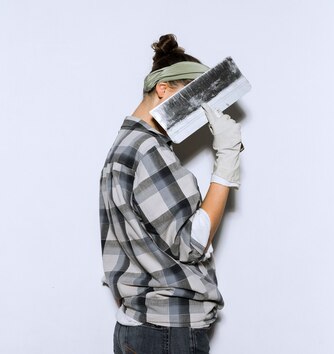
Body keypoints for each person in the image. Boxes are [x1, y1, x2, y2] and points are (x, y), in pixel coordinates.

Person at [99, 34, 243, 354]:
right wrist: (227, 162)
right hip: (167, 333)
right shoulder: (149, 149)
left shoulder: (121, 147)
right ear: (163, 90)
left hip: (137, 328)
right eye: (194, 100)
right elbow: (191, 243)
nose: (198, 116)